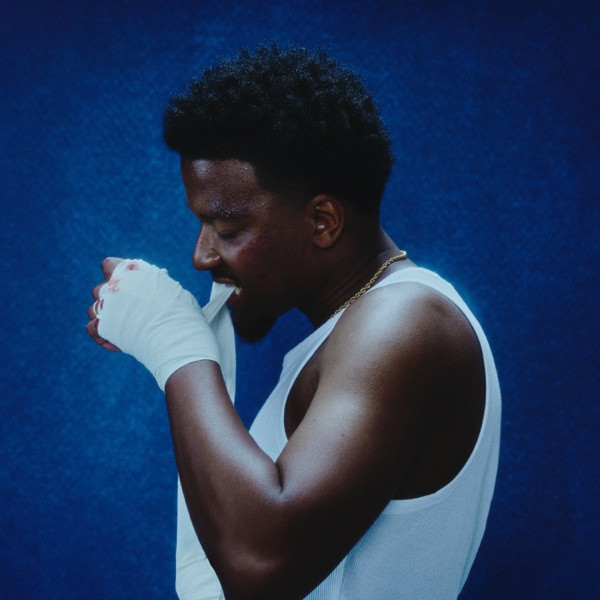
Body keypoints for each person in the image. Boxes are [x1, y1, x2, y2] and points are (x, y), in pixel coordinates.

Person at [86, 45, 500, 600]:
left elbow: (259, 566)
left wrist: (174, 342)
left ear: (323, 221)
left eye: (227, 230)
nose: (201, 256)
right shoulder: (352, 331)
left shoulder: (404, 321)